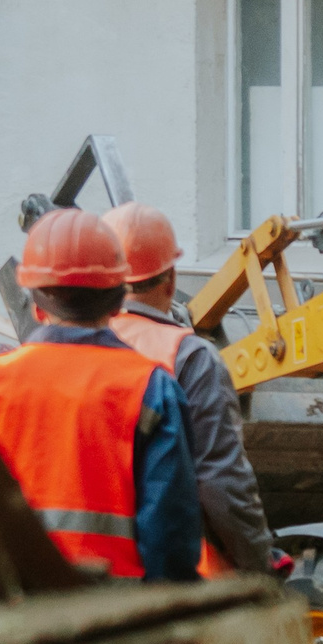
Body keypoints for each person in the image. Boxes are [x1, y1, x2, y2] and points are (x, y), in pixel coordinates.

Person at [0, 207, 202, 583]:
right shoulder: (151, 388)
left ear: (36, 307)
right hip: (116, 619)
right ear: (117, 303)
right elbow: (169, 536)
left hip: (7, 609)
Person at [98, 202, 281, 578]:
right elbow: (221, 482)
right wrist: (261, 564)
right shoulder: (189, 356)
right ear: (171, 280)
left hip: (82, 573)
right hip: (175, 579)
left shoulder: (72, 348)